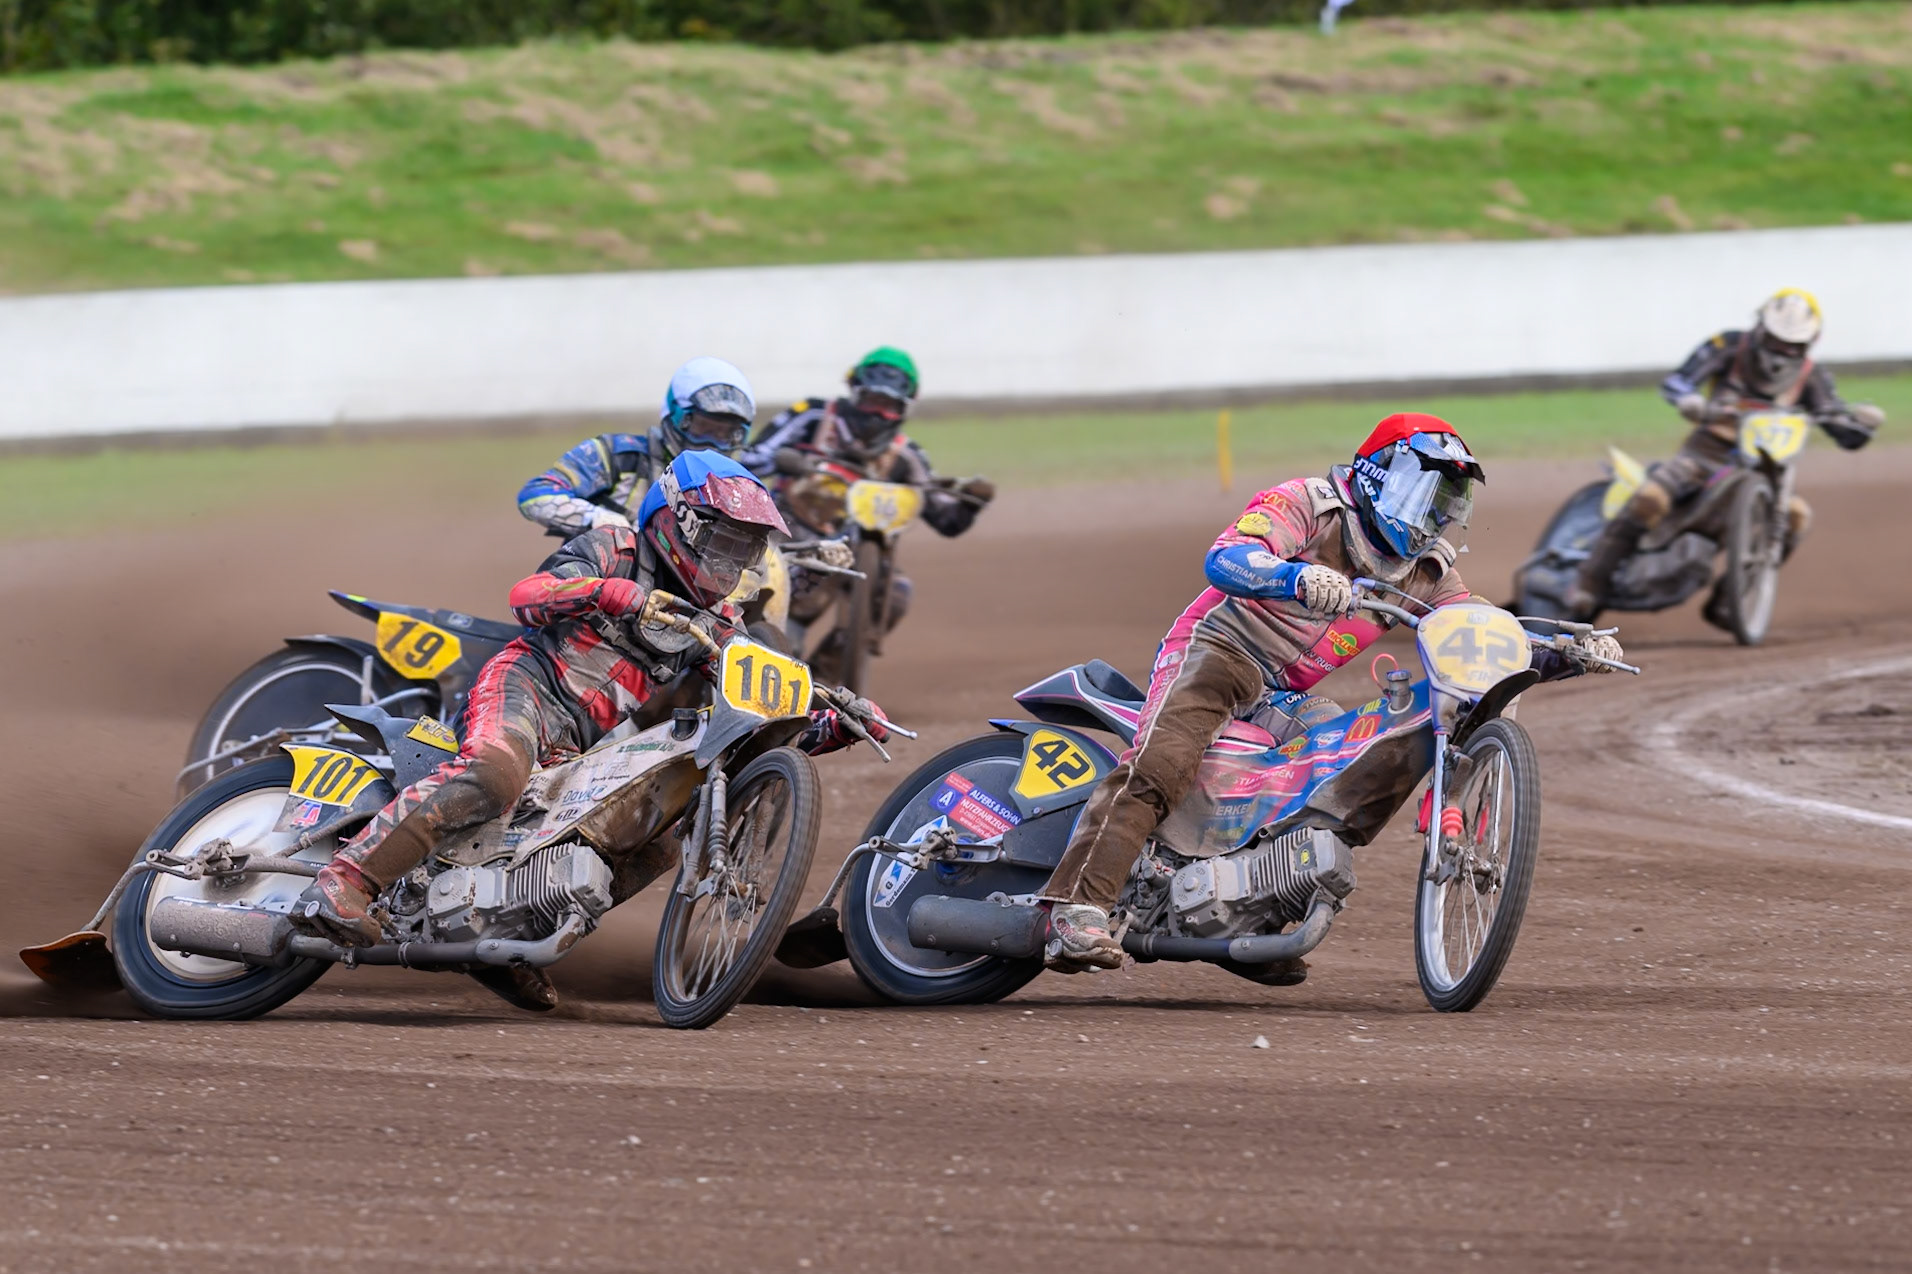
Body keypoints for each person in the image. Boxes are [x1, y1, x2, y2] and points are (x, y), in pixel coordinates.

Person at [289, 453, 887, 1011]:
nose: (728, 564)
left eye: (743, 551)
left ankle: (509, 938)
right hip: (527, 684)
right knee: (494, 774)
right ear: (679, 521)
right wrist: (609, 591)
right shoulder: (615, 548)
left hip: (577, 742)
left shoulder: (717, 620)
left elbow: (752, 701)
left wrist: (831, 720)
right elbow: (528, 596)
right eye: (721, 543)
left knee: (653, 838)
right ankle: (345, 882)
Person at [1040, 413, 1624, 973]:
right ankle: (1075, 909)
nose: (1433, 515)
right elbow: (1225, 559)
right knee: (1164, 763)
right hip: (1218, 651)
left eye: (1447, 502)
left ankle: (1252, 915)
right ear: (1378, 474)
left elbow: (1472, 633)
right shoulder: (1307, 505)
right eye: (1425, 493)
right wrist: (1293, 576)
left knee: (1349, 768)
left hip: (1284, 694)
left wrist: (1565, 653)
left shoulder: (1424, 570)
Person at [1565, 289, 1885, 622]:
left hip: (1768, 474)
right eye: (1775, 341)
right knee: (1650, 498)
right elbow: (1677, 382)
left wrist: (1859, 425)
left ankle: (1731, 601)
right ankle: (1590, 583)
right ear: (1761, 328)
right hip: (1704, 457)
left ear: (1811, 341)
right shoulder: (1729, 346)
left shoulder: (1812, 375)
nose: (1781, 352)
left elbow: (1836, 421)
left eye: (1793, 345)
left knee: (1796, 517)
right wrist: (1690, 401)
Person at [738, 347, 995, 652]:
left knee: (897, 593)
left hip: (856, 553)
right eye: (872, 400)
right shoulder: (814, 415)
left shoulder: (907, 455)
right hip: (787, 535)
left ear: (904, 409)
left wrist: (971, 502)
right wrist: (784, 459)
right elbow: (750, 459)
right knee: (780, 630)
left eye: (887, 406)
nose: (876, 414)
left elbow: (946, 520)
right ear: (854, 390)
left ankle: (832, 672)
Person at [516, 357, 758, 537]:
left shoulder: (734, 486)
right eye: (703, 427)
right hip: (598, 586)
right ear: (676, 415)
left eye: (724, 434)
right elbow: (535, 495)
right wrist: (597, 518)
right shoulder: (614, 455)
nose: (712, 444)